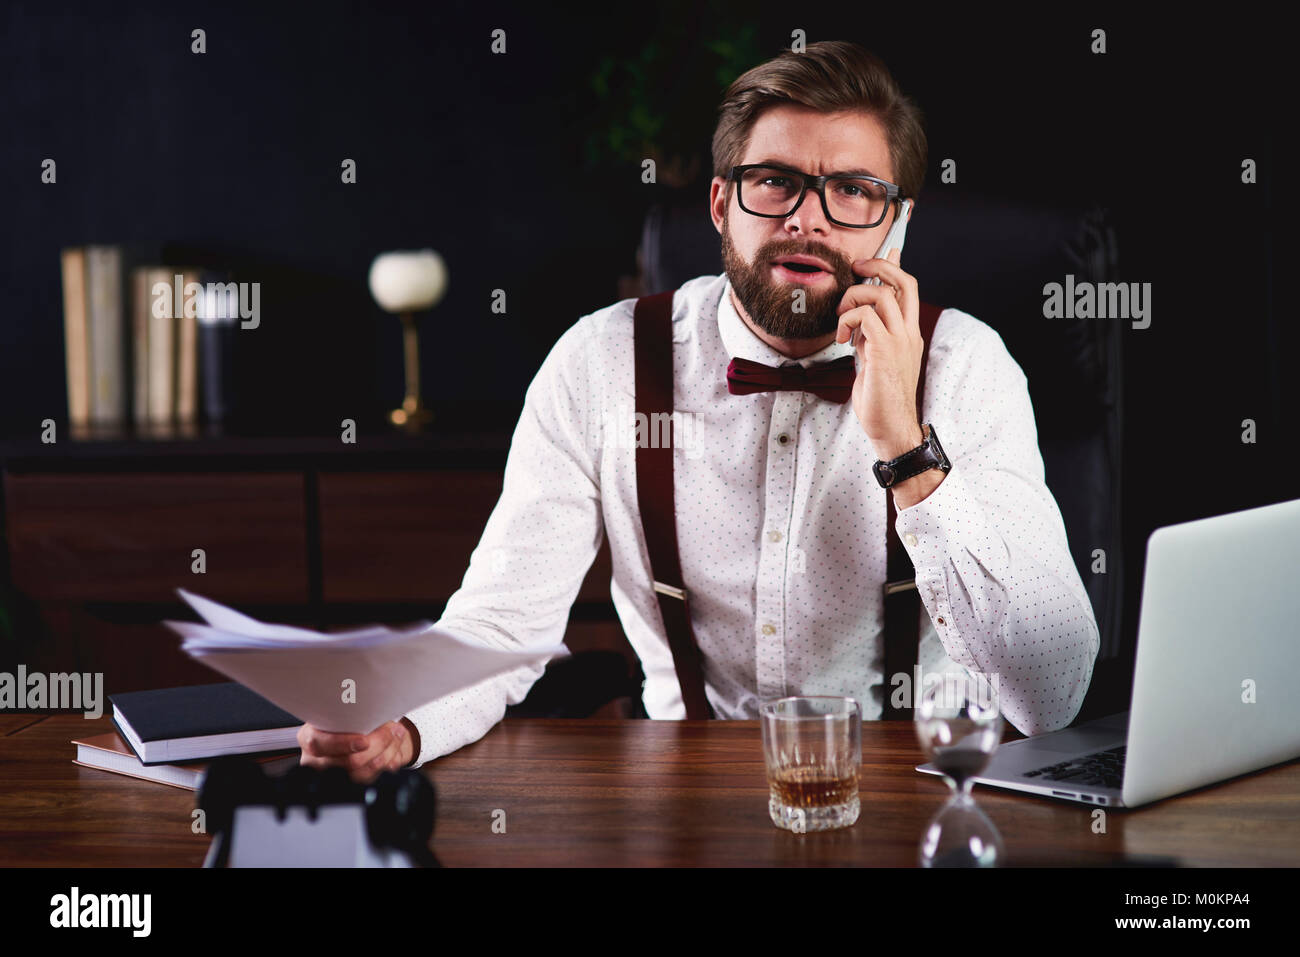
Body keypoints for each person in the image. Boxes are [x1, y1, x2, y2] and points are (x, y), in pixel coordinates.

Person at [299, 40, 1100, 779]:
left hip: (912, 797)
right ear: (720, 204)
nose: (806, 217)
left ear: (897, 224)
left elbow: (1050, 690)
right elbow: (501, 626)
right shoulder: (600, 363)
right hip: (679, 801)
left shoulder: (966, 367)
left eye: (853, 191)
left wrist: (907, 448)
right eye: (774, 180)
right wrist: (402, 724)